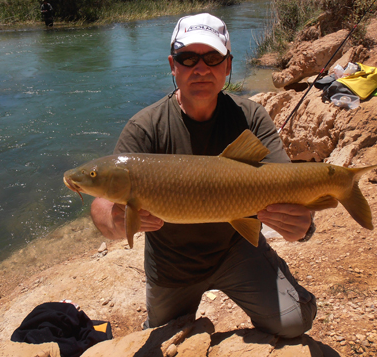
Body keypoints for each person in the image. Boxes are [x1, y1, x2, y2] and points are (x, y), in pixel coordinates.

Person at [90, 13, 317, 338]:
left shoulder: (250, 117)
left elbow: (287, 185)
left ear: (227, 66)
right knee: (162, 340)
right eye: (188, 58)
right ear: (173, 65)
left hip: (238, 248)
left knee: (297, 321)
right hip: (171, 264)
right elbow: (101, 204)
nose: (200, 68)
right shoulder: (145, 128)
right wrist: (115, 220)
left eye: (212, 58)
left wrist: (303, 224)